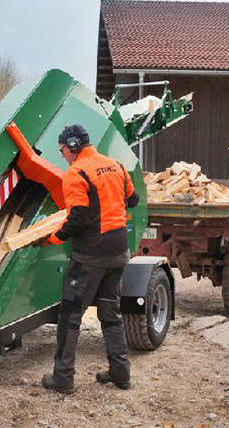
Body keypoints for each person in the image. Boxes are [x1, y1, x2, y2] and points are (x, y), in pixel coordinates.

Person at [37, 124, 139, 395]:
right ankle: (121, 374)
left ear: (72, 146)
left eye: (62, 150)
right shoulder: (115, 165)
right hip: (119, 254)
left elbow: (79, 218)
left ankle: (63, 378)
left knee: (69, 317)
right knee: (111, 316)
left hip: (90, 258)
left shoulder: (75, 174)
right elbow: (133, 199)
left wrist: (52, 238)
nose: (62, 156)